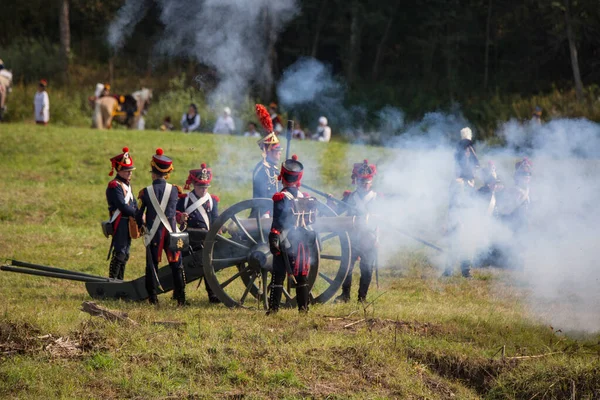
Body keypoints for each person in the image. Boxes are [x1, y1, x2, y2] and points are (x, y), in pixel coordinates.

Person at [267, 154, 318, 314]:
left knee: (278, 274)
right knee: (302, 275)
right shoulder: (305, 197)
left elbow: (277, 221)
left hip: (286, 240)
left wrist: (273, 236)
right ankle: (303, 309)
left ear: (282, 177)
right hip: (301, 241)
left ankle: (274, 309)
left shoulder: (280, 197)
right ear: (298, 179)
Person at [136, 148, 186, 306]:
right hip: (171, 233)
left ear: (153, 172)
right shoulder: (175, 191)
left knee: (152, 266)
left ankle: (153, 299)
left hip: (154, 233)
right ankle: (181, 298)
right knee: (176, 265)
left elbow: (139, 215)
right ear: (167, 173)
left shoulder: (145, 193)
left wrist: (141, 225)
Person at [332, 160, 380, 303]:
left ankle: (362, 298)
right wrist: (330, 202)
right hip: (351, 237)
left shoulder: (377, 198)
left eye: (367, 181)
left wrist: (377, 239)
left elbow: (380, 221)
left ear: (371, 181)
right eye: (362, 181)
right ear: (356, 181)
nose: (365, 184)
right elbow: (337, 211)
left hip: (369, 238)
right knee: (347, 267)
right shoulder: (350, 197)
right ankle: (345, 295)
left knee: (367, 269)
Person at [176, 163, 220, 303]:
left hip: (205, 238)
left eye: (206, 187)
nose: (203, 190)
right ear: (194, 185)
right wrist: (181, 216)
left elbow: (215, 218)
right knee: (181, 267)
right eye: (201, 186)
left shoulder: (212, 200)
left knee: (208, 265)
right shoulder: (185, 199)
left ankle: (212, 294)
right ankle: (179, 292)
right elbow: (174, 214)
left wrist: (218, 228)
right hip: (189, 238)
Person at [443, 127, 480, 278]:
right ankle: (449, 270)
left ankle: (466, 270)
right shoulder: (457, 175)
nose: (467, 152)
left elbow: (476, 167)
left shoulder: (471, 154)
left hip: (468, 209)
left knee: (467, 239)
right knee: (454, 237)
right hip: (457, 209)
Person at [105, 147, 138, 280]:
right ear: (119, 170)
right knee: (120, 253)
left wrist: (138, 212)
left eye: (130, 170)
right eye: (126, 170)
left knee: (126, 254)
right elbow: (122, 206)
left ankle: (120, 280)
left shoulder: (127, 185)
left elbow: (133, 203)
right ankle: (113, 280)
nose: (129, 173)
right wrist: (139, 214)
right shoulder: (114, 185)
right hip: (120, 221)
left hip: (128, 222)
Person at [251, 104, 282, 218]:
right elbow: (261, 195)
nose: (280, 152)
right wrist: (266, 213)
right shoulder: (262, 169)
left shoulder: (273, 169)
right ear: (268, 152)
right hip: (263, 213)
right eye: (276, 150)